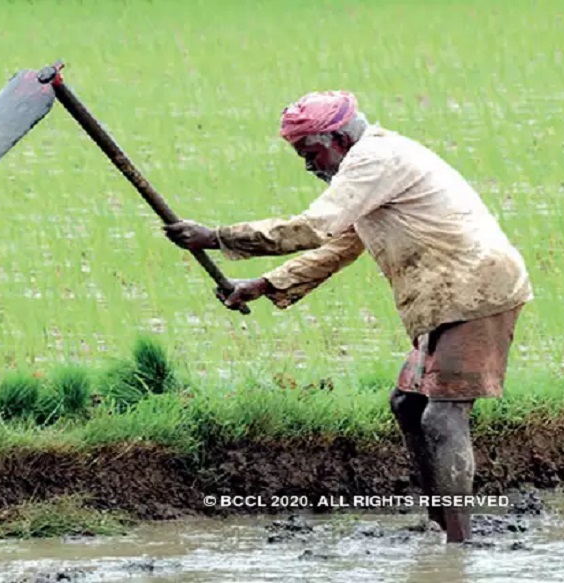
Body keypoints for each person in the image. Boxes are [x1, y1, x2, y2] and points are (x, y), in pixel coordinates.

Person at [162, 91, 533, 543]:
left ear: (338, 137)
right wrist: (265, 284)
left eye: (310, 152)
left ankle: (457, 544)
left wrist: (217, 236)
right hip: (446, 298)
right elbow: (341, 244)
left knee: (441, 416)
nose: (308, 165)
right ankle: (442, 526)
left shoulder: (376, 158)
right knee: (408, 405)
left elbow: (314, 227)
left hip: (478, 290)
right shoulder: (371, 166)